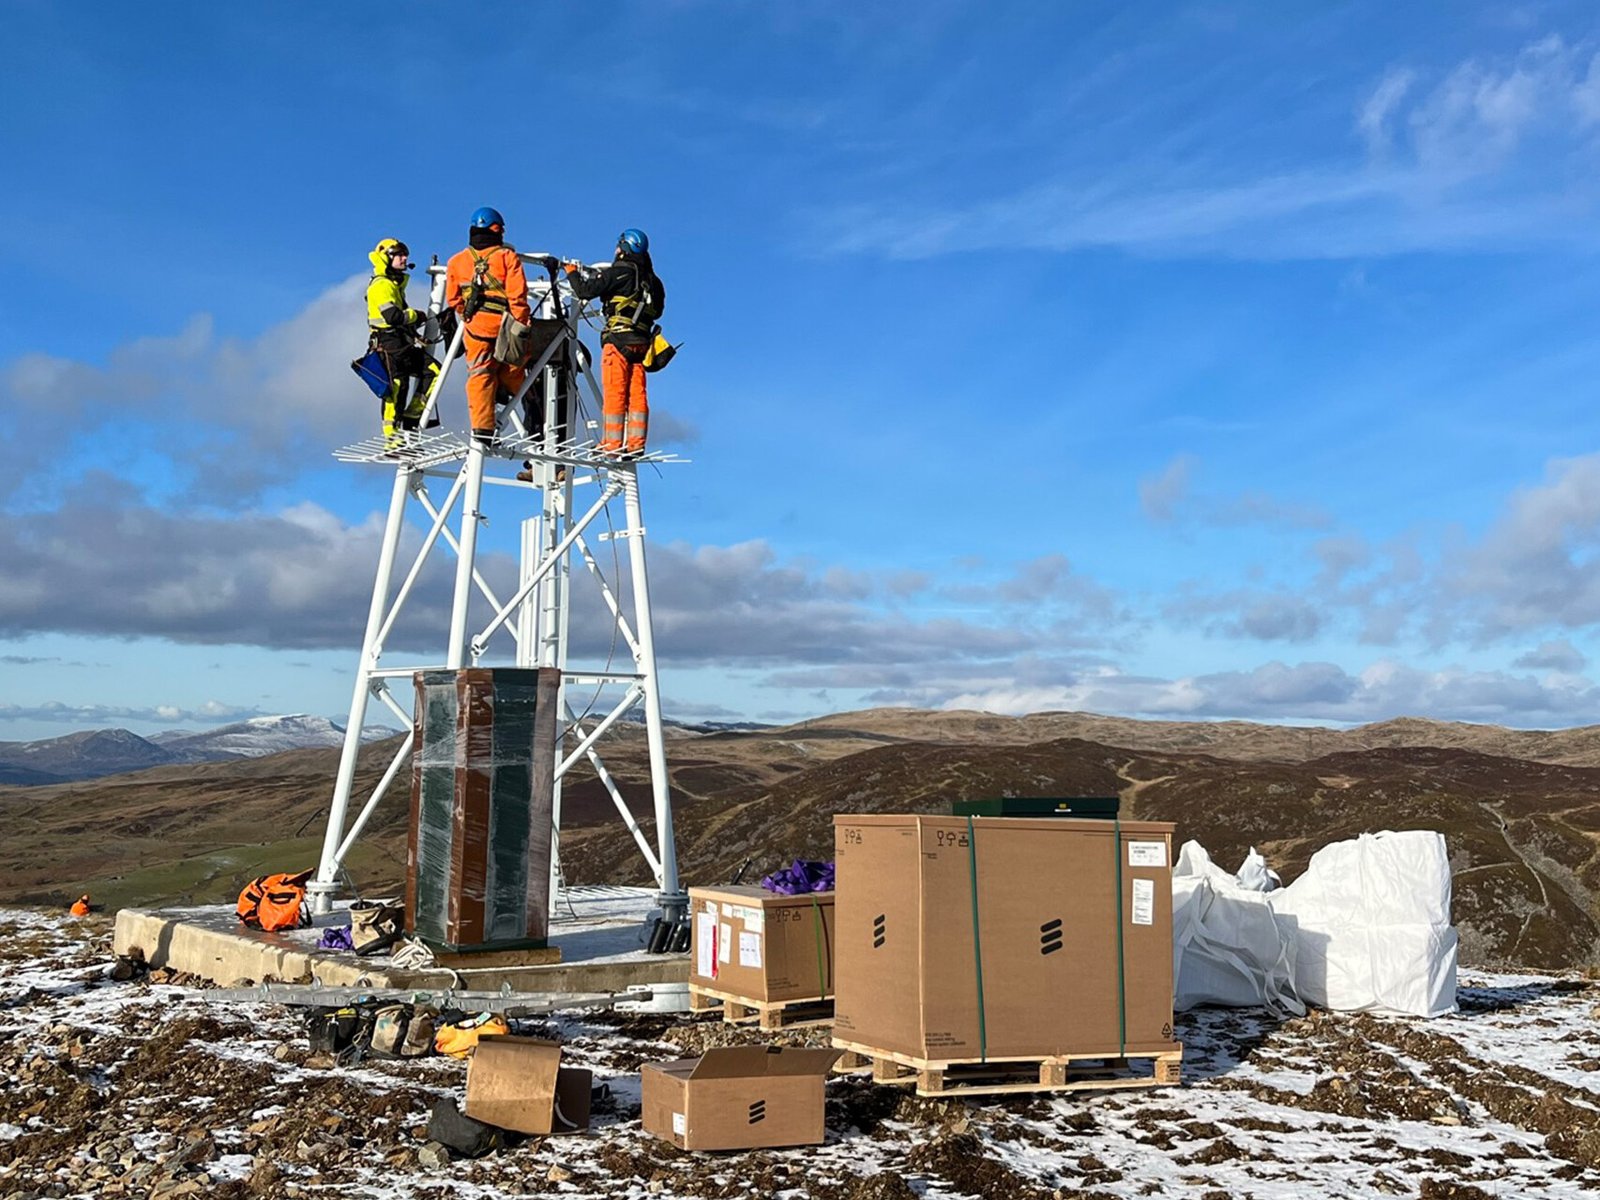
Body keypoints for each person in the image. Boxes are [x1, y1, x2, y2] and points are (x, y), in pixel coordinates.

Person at [564, 227, 664, 456]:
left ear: (623, 247)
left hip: (618, 341)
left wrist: (572, 273)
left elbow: (585, 290)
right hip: (642, 345)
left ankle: (612, 445)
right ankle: (636, 443)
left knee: (615, 392)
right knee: (637, 394)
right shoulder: (654, 282)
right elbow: (658, 311)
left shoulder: (619, 272)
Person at [445, 207, 532, 444]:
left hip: (475, 329)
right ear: (497, 229)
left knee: (479, 374)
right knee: (515, 366)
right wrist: (521, 323)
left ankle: (482, 428)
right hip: (504, 326)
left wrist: (467, 315)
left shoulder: (456, 261)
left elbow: (453, 298)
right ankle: (513, 397)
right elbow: (518, 296)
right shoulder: (507, 257)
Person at [365, 238, 441, 441]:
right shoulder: (381, 285)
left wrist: (415, 330)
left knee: (434, 372)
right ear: (386, 258)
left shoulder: (393, 285)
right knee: (397, 388)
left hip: (400, 343)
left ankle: (412, 415)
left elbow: (399, 318)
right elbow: (393, 316)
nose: (404, 258)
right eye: (398, 254)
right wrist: (416, 315)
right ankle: (392, 439)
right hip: (388, 344)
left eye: (405, 255)